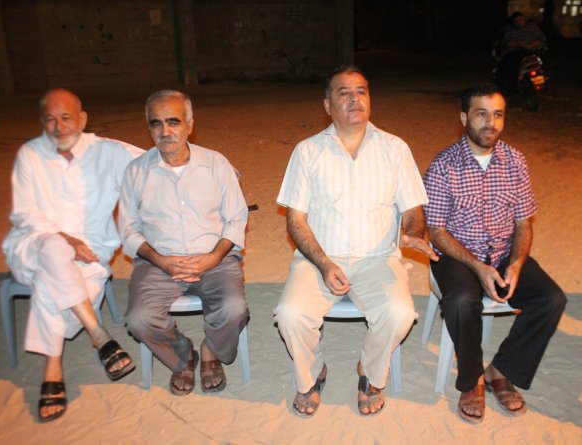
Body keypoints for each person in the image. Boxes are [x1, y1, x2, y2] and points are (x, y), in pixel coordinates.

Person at [274, 65, 438, 417]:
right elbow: (295, 221)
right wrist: (324, 263)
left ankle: (370, 371)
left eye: (361, 91)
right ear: (327, 105)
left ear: (370, 99)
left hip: (376, 258)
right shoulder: (307, 151)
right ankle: (313, 373)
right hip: (319, 258)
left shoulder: (394, 148)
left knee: (400, 313)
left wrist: (413, 232)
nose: (354, 99)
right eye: (344, 92)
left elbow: (413, 208)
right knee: (290, 314)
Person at [423, 83, 566, 424]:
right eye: (482, 114)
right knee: (461, 301)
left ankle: (501, 370)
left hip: (502, 252)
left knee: (551, 299)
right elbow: (437, 232)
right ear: (464, 118)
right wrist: (477, 266)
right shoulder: (444, 165)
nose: (491, 123)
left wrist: (515, 264)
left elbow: (523, 223)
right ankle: (471, 378)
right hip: (458, 256)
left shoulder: (515, 161)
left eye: (498, 114)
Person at [2, 88, 144, 422]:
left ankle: (53, 368)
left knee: (51, 284)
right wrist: (65, 239)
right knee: (54, 249)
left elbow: (155, 162)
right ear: (43, 121)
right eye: (50, 119)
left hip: (90, 251)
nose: (59, 126)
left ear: (82, 119)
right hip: (33, 245)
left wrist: (213, 168)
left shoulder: (108, 151)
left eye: (66, 117)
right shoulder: (31, 155)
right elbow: (24, 213)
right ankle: (98, 335)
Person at [119, 90, 249, 397]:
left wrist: (213, 257)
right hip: (158, 263)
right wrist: (161, 260)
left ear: (190, 124)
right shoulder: (136, 172)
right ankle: (182, 355)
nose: (165, 131)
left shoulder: (216, 164)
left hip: (215, 260)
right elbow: (128, 230)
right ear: (148, 127)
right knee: (139, 319)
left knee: (233, 308)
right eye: (156, 123)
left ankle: (211, 350)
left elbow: (236, 218)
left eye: (173, 122)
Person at [495, 12, 547, 96]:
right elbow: (506, 42)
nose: (519, 22)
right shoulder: (510, 29)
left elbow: (542, 39)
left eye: (520, 20)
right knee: (507, 64)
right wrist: (519, 44)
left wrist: (531, 45)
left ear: (524, 19)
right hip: (514, 51)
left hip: (531, 51)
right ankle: (508, 86)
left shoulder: (532, 27)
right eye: (516, 21)